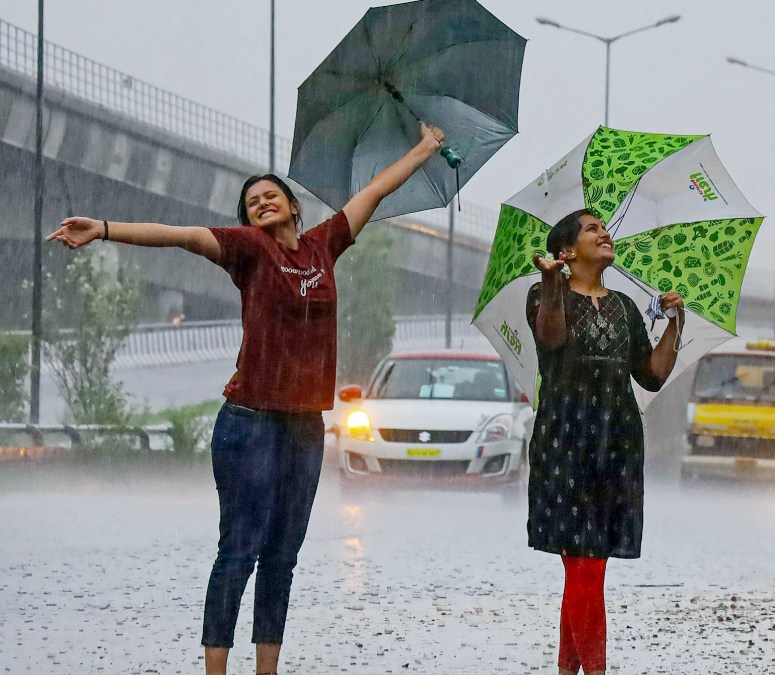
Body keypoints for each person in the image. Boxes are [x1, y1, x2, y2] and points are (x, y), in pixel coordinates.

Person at [45, 122, 447, 675]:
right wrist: (106, 228)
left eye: (270, 196)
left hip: (305, 427)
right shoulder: (248, 250)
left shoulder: (323, 246)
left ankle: (267, 670)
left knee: (283, 557)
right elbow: (179, 234)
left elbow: (374, 193)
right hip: (250, 423)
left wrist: (425, 149)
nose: (261, 204)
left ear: (292, 206)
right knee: (240, 551)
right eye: (251, 202)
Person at [526, 209, 685, 675]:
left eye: (604, 227)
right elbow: (551, 338)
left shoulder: (625, 307)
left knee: (588, 569)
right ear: (567, 252)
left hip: (617, 443)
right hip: (565, 443)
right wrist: (554, 285)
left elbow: (652, 375)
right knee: (584, 566)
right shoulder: (543, 295)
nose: (604, 233)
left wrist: (675, 323)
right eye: (592, 229)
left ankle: (567, 671)